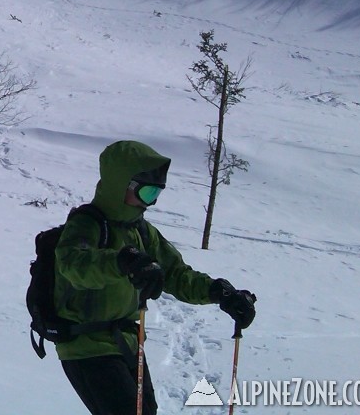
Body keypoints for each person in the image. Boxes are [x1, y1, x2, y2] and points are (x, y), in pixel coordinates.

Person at [54, 140, 256, 415]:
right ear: (120, 185)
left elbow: (176, 273)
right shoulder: (86, 224)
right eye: (147, 193)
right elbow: (73, 265)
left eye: (156, 193)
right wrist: (123, 261)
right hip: (86, 347)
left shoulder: (141, 231)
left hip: (126, 343)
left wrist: (220, 293)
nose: (152, 202)